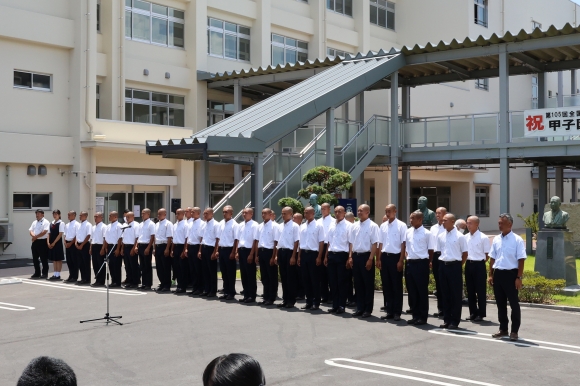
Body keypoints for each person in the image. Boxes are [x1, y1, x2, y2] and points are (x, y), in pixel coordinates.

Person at [488, 213, 526, 341]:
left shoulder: (517, 239)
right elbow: (492, 258)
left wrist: (519, 277)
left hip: (511, 274)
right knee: (500, 303)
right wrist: (490, 274)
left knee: (514, 304)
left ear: (509, 224)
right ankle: (503, 328)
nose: (499, 225)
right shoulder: (497, 239)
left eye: (501, 223)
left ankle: (514, 331)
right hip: (498, 273)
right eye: (498, 223)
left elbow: (521, 260)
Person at [437, 213, 468, 329]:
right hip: (443, 265)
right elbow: (440, 252)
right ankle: (447, 319)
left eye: (445, 220)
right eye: (442, 220)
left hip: (455, 266)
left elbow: (465, 253)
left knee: (455, 294)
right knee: (445, 293)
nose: (443, 222)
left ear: (452, 221)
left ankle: (455, 321)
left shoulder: (460, 236)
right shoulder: (440, 236)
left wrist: (458, 265)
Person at [348, 204, 380, 318]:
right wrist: (350, 256)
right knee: (358, 284)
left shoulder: (373, 226)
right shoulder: (354, 225)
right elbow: (351, 242)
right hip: (356, 256)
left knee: (367, 284)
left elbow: (375, 243)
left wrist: (371, 258)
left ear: (368, 212)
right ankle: (359, 308)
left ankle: (367, 309)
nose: (359, 212)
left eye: (361, 211)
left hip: (366, 256)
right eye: (358, 210)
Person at [377, 204, 407, 321]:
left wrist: (401, 260)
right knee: (387, 285)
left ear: (395, 211)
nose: (387, 213)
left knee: (396, 286)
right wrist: (378, 259)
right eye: (386, 211)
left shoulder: (401, 225)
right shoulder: (383, 226)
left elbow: (403, 244)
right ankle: (389, 310)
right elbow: (380, 243)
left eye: (389, 211)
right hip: (385, 257)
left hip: (395, 258)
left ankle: (397, 312)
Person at [405, 211, 435, 325]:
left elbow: (431, 250)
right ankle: (415, 315)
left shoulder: (427, 233)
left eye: (413, 218)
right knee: (412, 291)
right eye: (410, 218)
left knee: (421, 291)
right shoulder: (408, 232)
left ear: (420, 220)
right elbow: (407, 247)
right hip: (410, 263)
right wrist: (408, 258)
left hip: (421, 264)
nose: (410, 220)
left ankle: (422, 317)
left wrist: (428, 261)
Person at [324, 205, 352, 315]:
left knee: (342, 282)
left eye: (340, 211)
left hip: (342, 255)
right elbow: (329, 242)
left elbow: (351, 243)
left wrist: (349, 257)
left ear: (344, 213)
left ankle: (341, 305)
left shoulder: (349, 226)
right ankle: (335, 305)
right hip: (332, 255)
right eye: (335, 211)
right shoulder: (331, 225)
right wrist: (326, 256)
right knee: (333, 282)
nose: (337, 213)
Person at [297, 207, 325, 311]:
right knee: (306, 279)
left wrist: (319, 256)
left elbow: (321, 242)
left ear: (313, 213)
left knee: (315, 279)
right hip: (304, 253)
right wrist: (299, 256)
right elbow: (300, 243)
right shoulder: (302, 226)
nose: (305, 214)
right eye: (304, 212)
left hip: (314, 254)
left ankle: (316, 302)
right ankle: (308, 301)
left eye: (307, 212)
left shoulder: (319, 225)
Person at [464, 215, 490, 322]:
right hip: (468, 264)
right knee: (470, 290)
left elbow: (487, 255)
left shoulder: (483, 237)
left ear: (477, 224)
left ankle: (481, 313)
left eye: (470, 223)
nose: (468, 225)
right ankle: (473, 312)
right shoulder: (465, 237)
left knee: (480, 290)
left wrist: (478, 262)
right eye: (467, 223)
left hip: (479, 265)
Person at [274, 206, 300, 308]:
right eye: (282, 213)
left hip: (290, 252)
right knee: (283, 277)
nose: (283, 215)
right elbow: (278, 242)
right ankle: (285, 299)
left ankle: (291, 300)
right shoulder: (280, 226)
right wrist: (276, 255)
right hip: (281, 252)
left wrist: (294, 256)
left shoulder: (295, 226)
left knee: (290, 278)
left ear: (291, 214)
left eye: (285, 213)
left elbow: (296, 241)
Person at [254, 208, 278, 306]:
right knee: (264, 276)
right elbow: (257, 241)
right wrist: (256, 255)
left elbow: (276, 242)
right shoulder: (260, 226)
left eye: (265, 213)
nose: (263, 215)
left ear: (270, 214)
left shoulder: (275, 226)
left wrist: (274, 256)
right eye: (262, 213)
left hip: (270, 252)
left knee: (271, 275)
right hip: (262, 251)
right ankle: (266, 296)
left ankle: (271, 297)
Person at [234, 208, 258, 303]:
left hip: (249, 251)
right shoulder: (240, 225)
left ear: (251, 214)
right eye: (243, 212)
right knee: (244, 274)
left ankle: (252, 296)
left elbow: (255, 241)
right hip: (241, 250)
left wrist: (252, 254)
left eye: (246, 213)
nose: (244, 214)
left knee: (250, 274)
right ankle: (246, 294)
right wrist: (236, 251)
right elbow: (238, 240)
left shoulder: (255, 225)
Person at [216, 205, 237, 300]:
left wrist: (234, 252)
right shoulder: (221, 223)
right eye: (223, 212)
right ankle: (226, 291)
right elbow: (219, 238)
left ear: (231, 213)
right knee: (224, 272)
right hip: (222, 249)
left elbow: (236, 240)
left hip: (229, 249)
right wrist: (217, 250)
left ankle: (231, 292)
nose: (224, 214)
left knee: (230, 272)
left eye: (226, 212)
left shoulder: (234, 224)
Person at [429, 206, 447, 317]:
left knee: (445, 284)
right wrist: (431, 259)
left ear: (445, 214)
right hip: (436, 256)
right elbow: (431, 245)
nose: (437, 215)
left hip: (445, 257)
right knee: (438, 284)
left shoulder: (449, 227)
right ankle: (440, 309)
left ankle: (447, 309)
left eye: (439, 213)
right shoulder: (433, 228)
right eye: (436, 213)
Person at [198, 207, 219, 297]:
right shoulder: (203, 224)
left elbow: (218, 239)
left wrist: (215, 252)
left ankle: (213, 290)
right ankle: (206, 289)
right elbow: (202, 238)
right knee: (205, 271)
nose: (204, 215)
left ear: (212, 214)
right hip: (204, 248)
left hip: (211, 248)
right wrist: (199, 250)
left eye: (206, 213)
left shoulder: (216, 224)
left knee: (212, 271)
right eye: (204, 213)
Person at [185, 207, 204, 295]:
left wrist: (200, 250)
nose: (191, 213)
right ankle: (194, 287)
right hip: (190, 246)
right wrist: (186, 248)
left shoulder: (202, 223)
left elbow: (201, 238)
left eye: (193, 212)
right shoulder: (190, 223)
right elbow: (188, 237)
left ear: (198, 213)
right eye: (191, 212)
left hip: (197, 247)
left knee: (198, 269)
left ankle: (200, 288)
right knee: (191, 269)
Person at [154, 208, 173, 292]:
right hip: (158, 246)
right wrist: (154, 248)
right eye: (158, 214)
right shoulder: (156, 224)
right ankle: (162, 283)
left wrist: (167, 249)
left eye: (160, 214)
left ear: (165, 214)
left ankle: (167, 285)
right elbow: (155, 237)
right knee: (159, 267)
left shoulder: (168, 224)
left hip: (164, 246)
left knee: (166, 267)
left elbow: (169, 237)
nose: (158, 216)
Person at [136, 208, 155, 290]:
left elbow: (152, 236)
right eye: (141, 213)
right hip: (140, 245)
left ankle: (148, 284)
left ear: (148, 214)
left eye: (144, 213)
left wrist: (148, 247)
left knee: (147, 266)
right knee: (142, 266)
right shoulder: (140, 224)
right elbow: (138, 236)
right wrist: (136, 246)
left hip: (147, 245)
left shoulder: (151, 224)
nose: (142, 215)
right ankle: (143, 283)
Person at [318, 203, 333, 303]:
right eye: (321, 209)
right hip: (320, 247)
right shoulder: (318, 221)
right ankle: (324, 295)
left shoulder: (333, 221)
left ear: (329, 209)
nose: (323, 211)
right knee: (321, 274)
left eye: (324, 209)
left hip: (329, 246)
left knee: (330, 274)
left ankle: (332, 296)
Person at [29, 209, 50, 279]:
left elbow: (45, 232)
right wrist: (34, 236)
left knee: (43, 258)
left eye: (38, 213)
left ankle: (45, 273)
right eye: (36, 213)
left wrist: (36, 237)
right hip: (35, 242)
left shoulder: (46, 222)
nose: (37, 215)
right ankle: (37, 272)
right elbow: (31, 230)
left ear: (42, 214)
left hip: (42, 241)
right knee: (35, 258)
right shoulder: (34, 222)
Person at [103, 211, 123, 287]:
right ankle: (113, 281)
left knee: (116, 265)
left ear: (115, 217)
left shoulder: (119, 226)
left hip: (116, 246)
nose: (109, 217)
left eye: (110, 215)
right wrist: (105, 248)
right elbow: (106, 238)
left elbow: (120, 238)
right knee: (110, 265)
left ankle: (117, 282)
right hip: (109, 246)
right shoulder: (108, 226)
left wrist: (118, 249)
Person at [171, 208, 188, 293]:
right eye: (176, 214)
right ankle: (179, 285)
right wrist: (172, 250)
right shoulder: (175, 225)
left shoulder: (185, 224)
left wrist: (185, 250)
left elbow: (186, 238)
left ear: (183, 214)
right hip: (176, 247)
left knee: (183, 268)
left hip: (182, 247)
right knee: (176, 267)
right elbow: (174, 238)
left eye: (178, 213)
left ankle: (183, 287)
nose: (177, 215)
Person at [120, 212, 139, 289]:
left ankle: (135, 282)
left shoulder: (136, 225)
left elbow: (137, 237)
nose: (127, 218)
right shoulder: (125, 225)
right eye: (126, 217)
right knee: (127, 265)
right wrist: (122, 248)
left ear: (133, 217)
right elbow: (123, 238)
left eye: (128, 217)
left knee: (133, 265)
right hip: (126, 246)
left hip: (132, 246)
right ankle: (129, 280)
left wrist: (134, 247)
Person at [47, 209, 65, 281]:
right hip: (51, 242)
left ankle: (58, 274)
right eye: (54, 214)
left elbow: (60, 234)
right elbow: (49, 233)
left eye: (56, 214)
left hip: (57, 243)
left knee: (58, 259)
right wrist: (48, 242)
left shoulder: (61, 223)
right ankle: (55, 273)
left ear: (59, 215)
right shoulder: (51, 223)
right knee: (54, 259)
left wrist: (54, 243)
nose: (55, 215)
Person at [75, 211, 92, 285]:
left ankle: (87, 279)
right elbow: (77, 234)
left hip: (85, 244)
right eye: (79, 215)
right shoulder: (79, 224)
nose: (80, 216)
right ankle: (82, 278)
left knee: (86, 262)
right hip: (78, 244)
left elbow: (88, 235)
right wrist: (76, 242)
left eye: (81, 215)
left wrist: (82, 244)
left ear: (85, 216)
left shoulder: (88, 225)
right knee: (80, 262)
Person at [90, 212, 106, 287]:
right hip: (94, 246)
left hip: (100, 246)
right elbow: (92, 239)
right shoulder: (93, 227)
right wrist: (90, 248)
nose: (95, 218)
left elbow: (105, 238)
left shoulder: (103, 226)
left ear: (101, 217)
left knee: (100, 264)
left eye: (97, 216)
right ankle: (97, 279)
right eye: (94, 216)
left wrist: (103, 249)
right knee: (95, 264)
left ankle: (101, 281)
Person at [63, 211, 80, 283]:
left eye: (69, 215)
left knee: (74, 261)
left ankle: (75, 276)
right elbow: (65, 235)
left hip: (73, 244)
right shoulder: (67, 225)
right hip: (67, 243)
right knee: (69, 261)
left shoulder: (77, 224)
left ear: (74, 215)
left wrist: (71, 243)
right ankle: (71, 275)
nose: (68, 216)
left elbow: (77, 235)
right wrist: (65, 242)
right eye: (68, 215)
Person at [293, 213, 305, 300]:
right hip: (294, 252)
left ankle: (301, 293)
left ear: (300, 220)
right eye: (293, 218)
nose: (293, 219)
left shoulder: (302, 227)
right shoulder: (293, 227)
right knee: (294, 274)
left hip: (300, 252)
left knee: (301, 274)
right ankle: (295, 292)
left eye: (295, 218)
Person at [344, 211, 356, 307]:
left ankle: (356, 298)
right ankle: (350, 298)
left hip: (355, 255)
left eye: (350, 221)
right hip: (347, 255)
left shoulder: (356, 227)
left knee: (356, 280)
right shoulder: (345, 227)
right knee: (347, 279)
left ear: (354, 220)